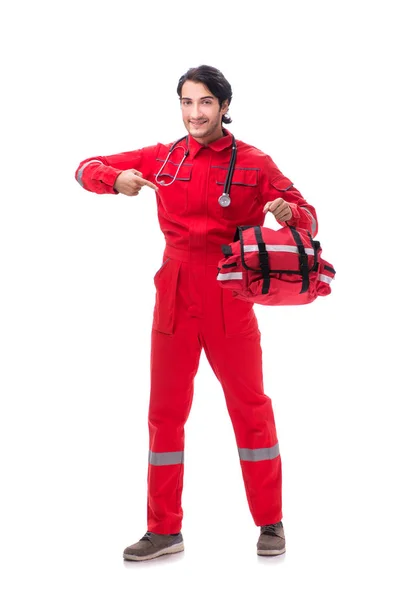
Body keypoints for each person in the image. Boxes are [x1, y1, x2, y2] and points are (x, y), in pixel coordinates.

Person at [75, 65, 318, 561]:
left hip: (230, 292)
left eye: (206, 102)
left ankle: (270, 522)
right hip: (175, 290)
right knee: (164, 414)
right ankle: (164, 529)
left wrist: (291, 214)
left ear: (225, 106)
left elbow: (306, 213)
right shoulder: (163, 158)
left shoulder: (254, 162)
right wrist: (113, 178)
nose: (195, 112)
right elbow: (84, 166)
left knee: (250, 408)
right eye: (187, 102)